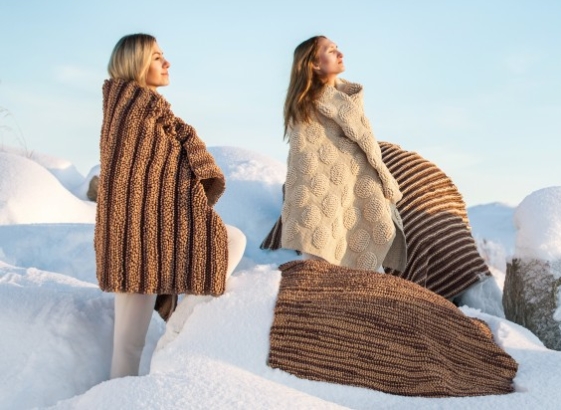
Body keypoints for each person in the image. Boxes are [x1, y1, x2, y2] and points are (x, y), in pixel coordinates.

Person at [95, 33, 246, 379]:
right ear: (135, 63)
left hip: (158, 235)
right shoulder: (130, 114)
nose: (167, 63)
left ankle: (178, 327)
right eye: (156, 57)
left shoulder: (153, 114)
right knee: (128, 344)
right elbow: (129, 186)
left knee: (231, 240)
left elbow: (162, 179)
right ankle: (117, 398)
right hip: (134, 243)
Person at [279, 36, 407, 273]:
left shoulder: (350, 104)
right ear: (314, 63)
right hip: (324, 216)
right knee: (322, 272)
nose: (341, 54)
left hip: (359, 205)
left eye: (338, 48)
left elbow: (359, 158)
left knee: (368, 276)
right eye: (331, 50)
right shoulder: (308, 111)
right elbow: (309, 168)